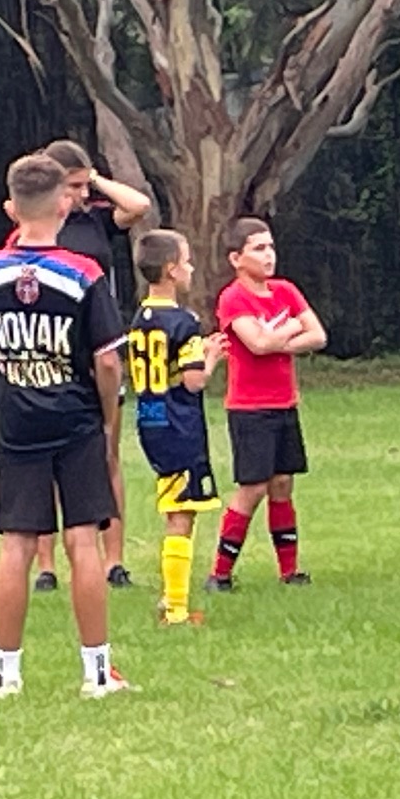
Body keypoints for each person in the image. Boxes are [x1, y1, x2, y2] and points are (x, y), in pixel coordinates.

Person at [0, 152, 132, 698]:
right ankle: (97, 672)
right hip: (75, 416)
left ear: (11, 208)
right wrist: (107, 419)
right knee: (82, 539)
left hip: (16, 416)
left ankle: (5, 674)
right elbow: (107, 360)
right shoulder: (84, 272)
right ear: (64, 203)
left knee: (16, 543)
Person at [29, 140, 155, 594]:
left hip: (98, 346)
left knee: (106, 453)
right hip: (52, 353)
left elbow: (139, 206)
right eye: (73, 186)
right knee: (45, 463)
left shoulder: (95, 219)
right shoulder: (37, 227)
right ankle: (46, 565)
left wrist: (95, 177)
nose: (82, 194)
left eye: (85, 186)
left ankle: (113, 560)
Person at [208, 216, 327, 590]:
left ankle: (289, 571)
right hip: (249, 407)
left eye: (271, 246)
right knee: (253, 487)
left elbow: (318, 335)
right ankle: (220, 574)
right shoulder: (233, 298)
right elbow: (257, 344)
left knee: (282, 483)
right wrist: (290, 327)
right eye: (259, 248)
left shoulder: (286, 291)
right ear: (236, 258)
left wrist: (279, 338)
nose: (269, 255)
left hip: (284, 402)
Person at [127, 230, 226, 626]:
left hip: (149, 418)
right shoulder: (183, 322)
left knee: (175, 504)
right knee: (181, 513)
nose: (191, 268)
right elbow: (193, 380)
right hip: (179, 423)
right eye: (186, 262)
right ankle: (176, 608)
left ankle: (171, 598)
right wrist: (211, 355)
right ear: (171, 270)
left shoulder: (140, 318)